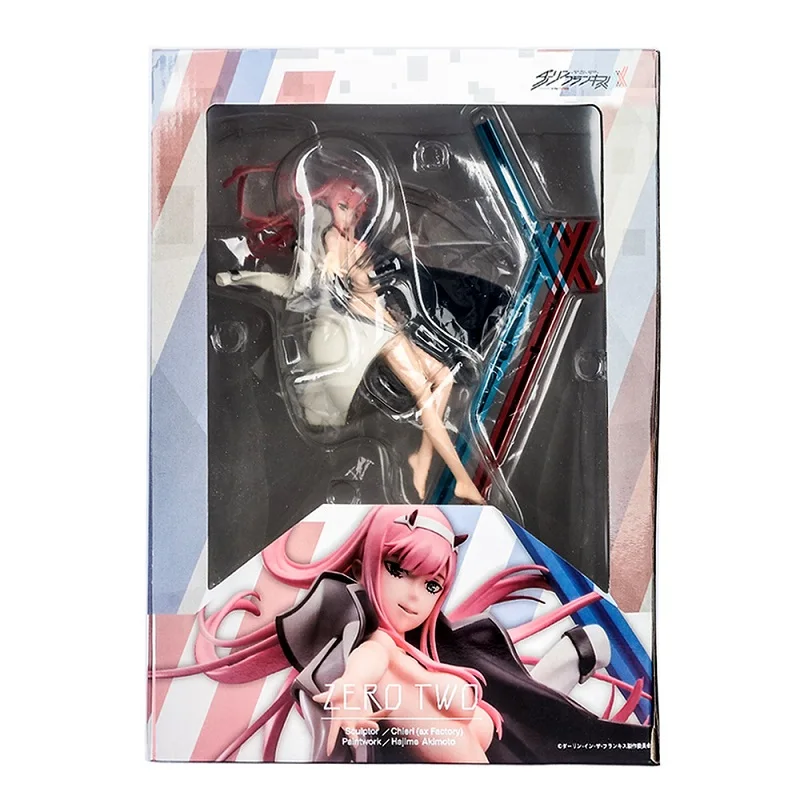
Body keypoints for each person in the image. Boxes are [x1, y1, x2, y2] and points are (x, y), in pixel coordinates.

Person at [151, 505, 651, 763]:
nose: (414, 597)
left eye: (432, 585)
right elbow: (371, 659)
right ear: (369, 564)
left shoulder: (426, 650)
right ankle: (564, 673)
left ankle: (561, 676)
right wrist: (351, 689)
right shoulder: (381, 648)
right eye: (398, 570)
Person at [214, 161, 486, 505]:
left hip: (384, 320)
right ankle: (460, 479)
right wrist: (243, 278)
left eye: (355, 210)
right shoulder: (330, 239)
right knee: (423, 394)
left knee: (443, 375)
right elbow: (300, 284)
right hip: (368, 327)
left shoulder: (351, 241)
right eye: (343, 206)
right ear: (327, 204)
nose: (350, 215)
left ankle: (423, 458)